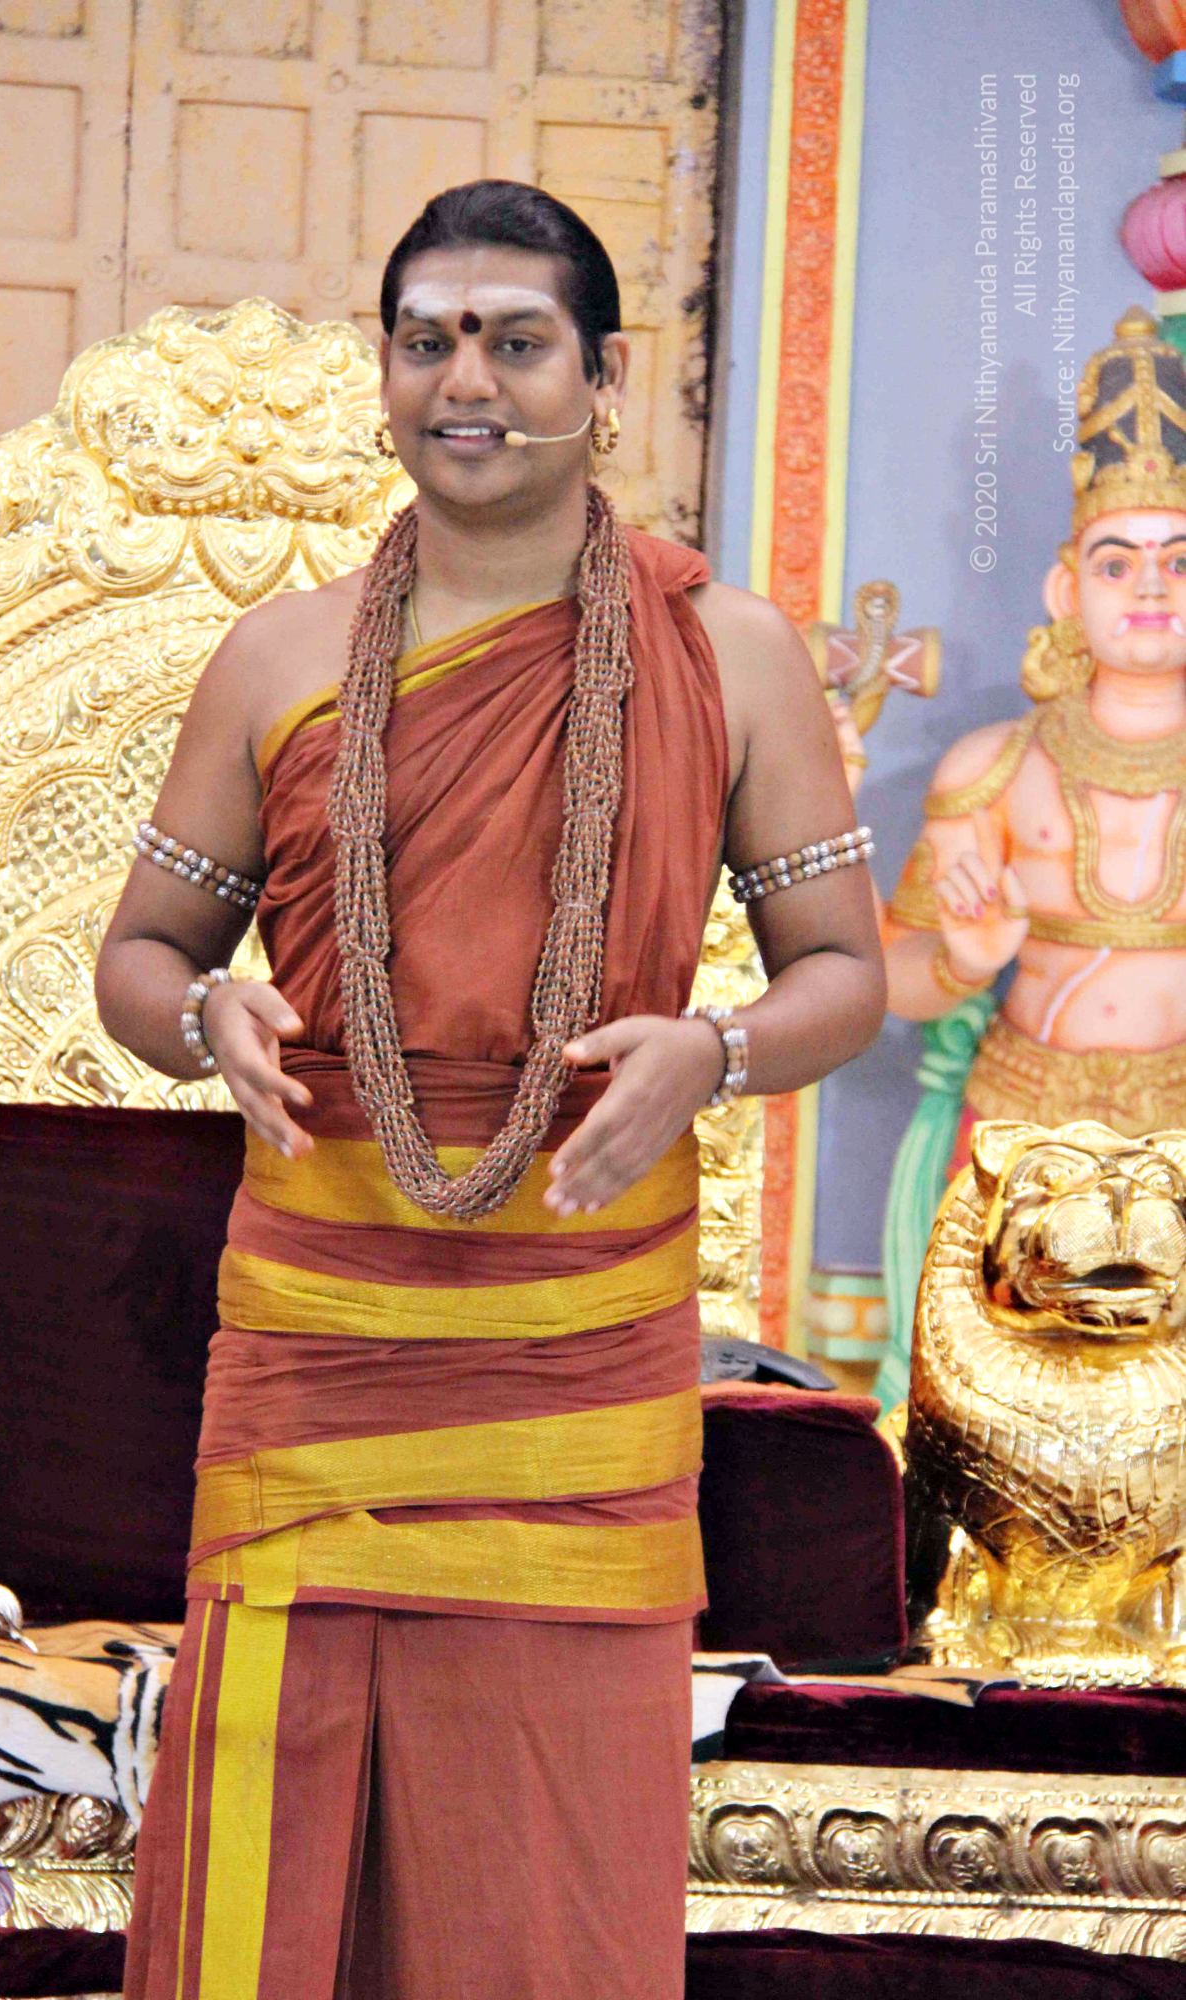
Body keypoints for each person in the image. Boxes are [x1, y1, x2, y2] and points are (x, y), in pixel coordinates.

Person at [97, 179, 884, 2000]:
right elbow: (139, 953)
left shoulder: (731, 653)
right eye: (427, 341)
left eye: (516, 343)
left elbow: (846, 976)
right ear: (383, 373)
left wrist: (712, 1051)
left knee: (544, 1852)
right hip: (316, 1334)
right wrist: (204, 1012)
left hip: (578, 1331)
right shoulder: (281, 656)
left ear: (601, 377)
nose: (467, 382)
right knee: (274, 1817)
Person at [860, 306, 1186, 1408]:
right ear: (1065, 589)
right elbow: (889, 979)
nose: (1150, 587)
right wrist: (962, 957)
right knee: (1008, 1410)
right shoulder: (994, 768)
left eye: (1178, 560)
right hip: (1022, 1132)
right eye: (1116, 561)